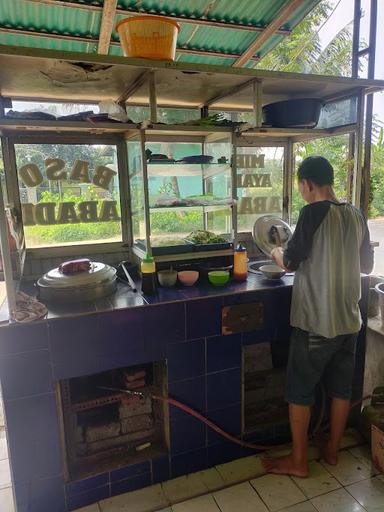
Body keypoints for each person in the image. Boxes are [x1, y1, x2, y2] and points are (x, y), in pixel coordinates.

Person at [263, 155, 374, 477]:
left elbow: (291, 263)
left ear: (307, 184)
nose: (302, 192)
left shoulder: (312, 212)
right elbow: (366, 266)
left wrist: (275, 252)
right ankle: (332, 452)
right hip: (349, 320)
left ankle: (298, 462)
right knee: (341, 390)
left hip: (316, 322)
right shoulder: (356, 214)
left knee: (300, 391)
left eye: (301, 186)